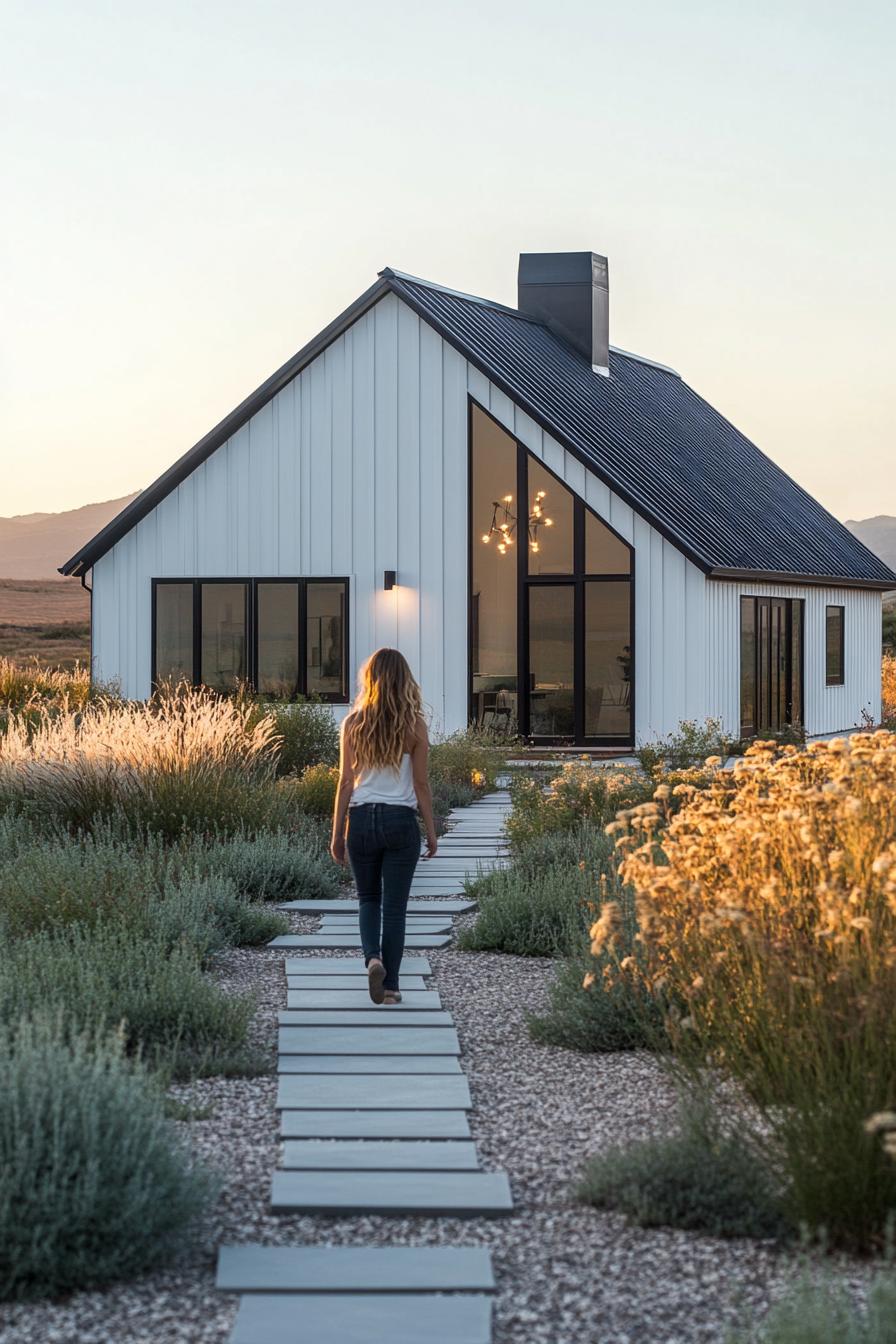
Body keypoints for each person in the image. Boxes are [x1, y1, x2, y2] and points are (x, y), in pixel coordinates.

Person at [330, 648, 438, 1004]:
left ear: (370, 679)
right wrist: (433, 833)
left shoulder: (354, 723)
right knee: (394, 908)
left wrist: (337, 835)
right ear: (404, 680)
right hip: (400, 822)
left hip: (361, 820)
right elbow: (421, 785)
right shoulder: (414, 725)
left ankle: (372, 958)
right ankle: (390, 987)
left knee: (367, 899)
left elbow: (346, 782)